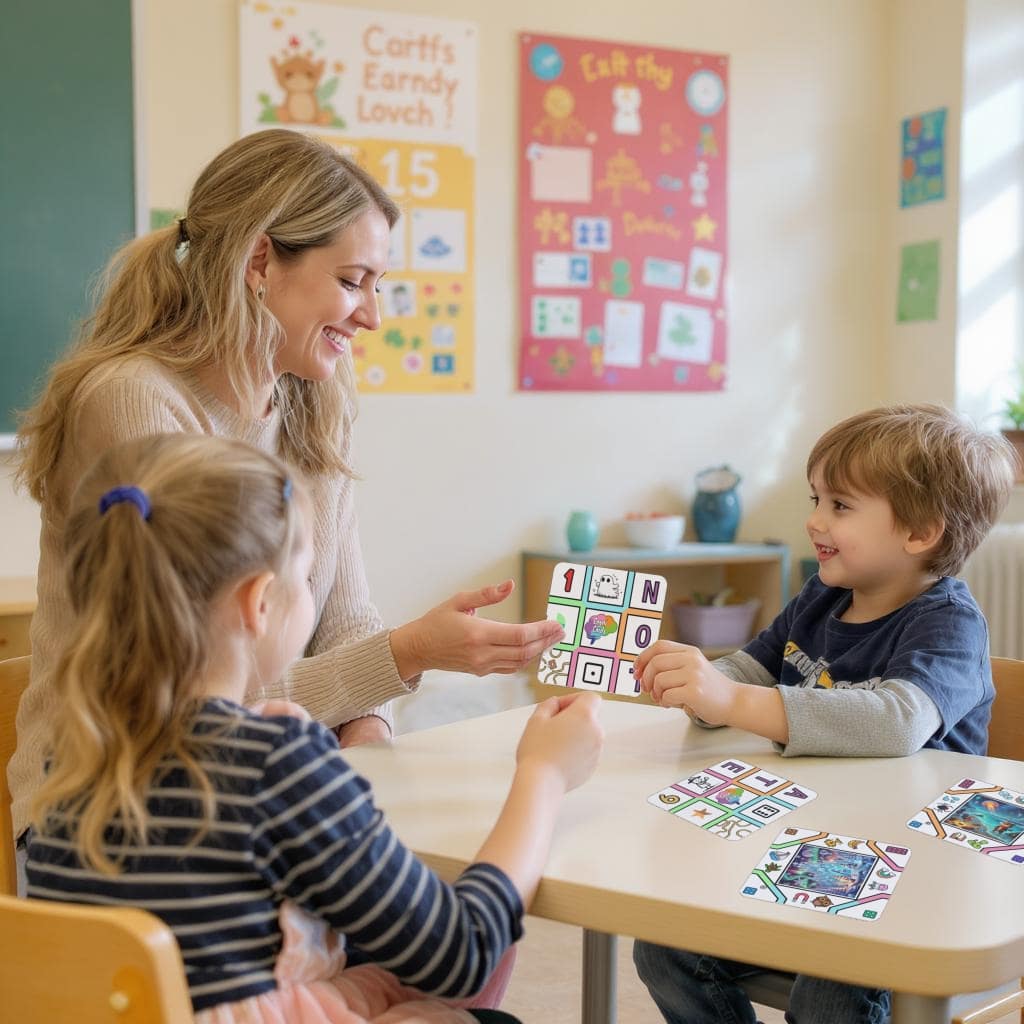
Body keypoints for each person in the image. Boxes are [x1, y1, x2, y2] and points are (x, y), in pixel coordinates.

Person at [10, 127, 563, 847]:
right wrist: (406, 657)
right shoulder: (134, 403)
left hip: (255, 782)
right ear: (261, 260)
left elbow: (347, 617)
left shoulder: (309, 401)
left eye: (377, 285)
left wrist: (366, 746)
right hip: (121, 815)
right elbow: (191, 697)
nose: (372, 316)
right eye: (351, 280)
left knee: (432, 912)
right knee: (452, 942)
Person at [26, 433, 604, 1024]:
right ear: (259, 603)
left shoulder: (71, 758)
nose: (310, 594)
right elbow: (463, 954)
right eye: (304, 579)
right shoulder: (271, 764)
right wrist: (544, 774)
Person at [631, 403, 1017, 1024]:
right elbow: (750, 670)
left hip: (911, 886)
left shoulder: (949, 623)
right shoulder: (821, 595)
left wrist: (729, 700)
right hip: (804, 851)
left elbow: (898, 721)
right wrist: (698, 685)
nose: (813, 521)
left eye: (839, 506)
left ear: (921, 533)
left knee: (829, 995)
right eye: (817, 499)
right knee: (664, 943)